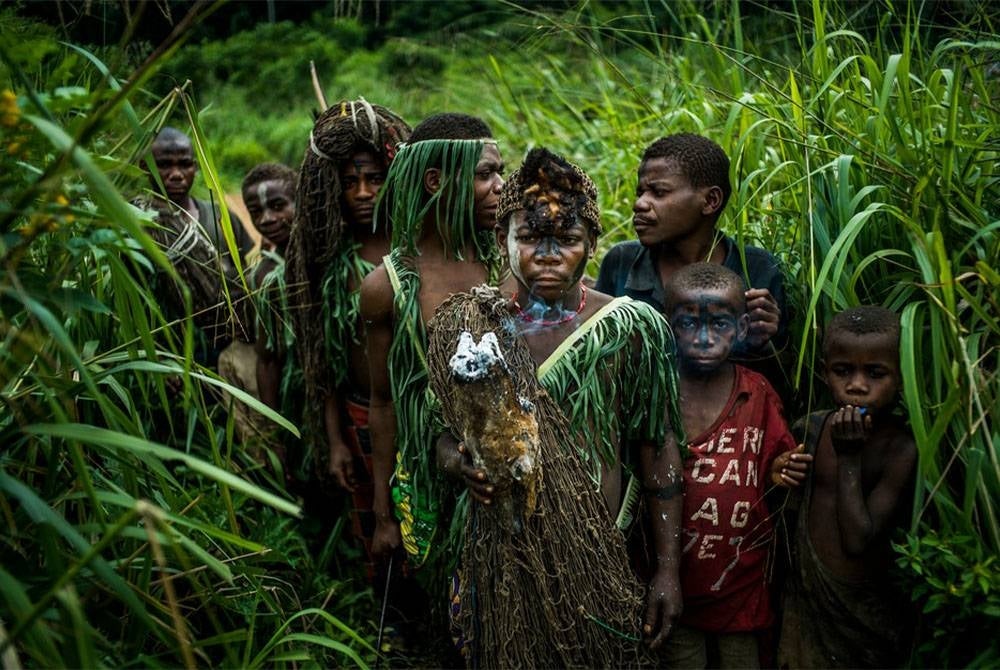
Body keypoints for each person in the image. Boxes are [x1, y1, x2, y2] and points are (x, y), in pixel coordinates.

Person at [434, 148, 686, 661]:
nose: (547, 255)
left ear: (592, 244)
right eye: (529, 238)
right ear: (503, 239)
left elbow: (656, 449)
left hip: (596, 556)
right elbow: (439, 435)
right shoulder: (467, 325)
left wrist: (666, 570)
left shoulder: (629, 329)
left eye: (567, 240)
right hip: (499, 556)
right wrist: (458, 462)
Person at [361, 112, 505, 568]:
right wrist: (384, 515)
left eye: (500, 171)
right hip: (429, 486)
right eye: (485, 174)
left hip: (506, 481)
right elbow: (382, 404)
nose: (501, 185)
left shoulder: (507, 266)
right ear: (435, 180)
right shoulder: (390, 286)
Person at [283, 101, 410, 576]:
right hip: (359, 412)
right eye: (350, 181)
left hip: (414, 411)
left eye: (374, 179)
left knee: (420, 514)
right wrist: (335, 438)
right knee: (372, 523)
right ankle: (387, 607)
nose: (362, 192)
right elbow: (326, 362)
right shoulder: (328, 261)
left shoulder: (415, 246)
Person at [657, 262, 800, 668]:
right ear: (668, 326)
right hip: (676, 585)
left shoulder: (756, 394)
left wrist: (781, 472)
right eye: (688, 324)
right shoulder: (657, 391)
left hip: (741, 588)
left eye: (719, 325)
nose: (704, 339)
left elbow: (777, 468)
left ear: (740, 329)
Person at [777, 305, 916, 669]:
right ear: (825, 374)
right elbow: (781, 510)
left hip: (860, 618)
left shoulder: (901, 449)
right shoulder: (811, 427)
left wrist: (849, 457)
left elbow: (857, 540)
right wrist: (780, 471)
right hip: (805, 603)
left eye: (875, 373)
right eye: (843, 371)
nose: (857, 385)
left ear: (901, 378)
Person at [595, 133, 789, 389]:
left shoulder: (757, 270)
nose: (640, 204)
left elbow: (783, 384)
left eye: (658, 192)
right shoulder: (621, 262)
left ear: (710, 201)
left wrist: (768, 340)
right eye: (640, 192)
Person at [216, 162, 297, 462]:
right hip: (294, 387)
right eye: (257, 213)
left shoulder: (324, 254)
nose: (267, 219)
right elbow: (267, 357)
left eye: (278, 206)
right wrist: (274, 427)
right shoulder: (265, 275)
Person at [148, 126, 253, 265]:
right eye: (164, 165)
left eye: (185, 164)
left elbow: (243, 276)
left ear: (195, 167)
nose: (176, 174)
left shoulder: (220, 217)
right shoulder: (137, 222)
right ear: (145, 166)